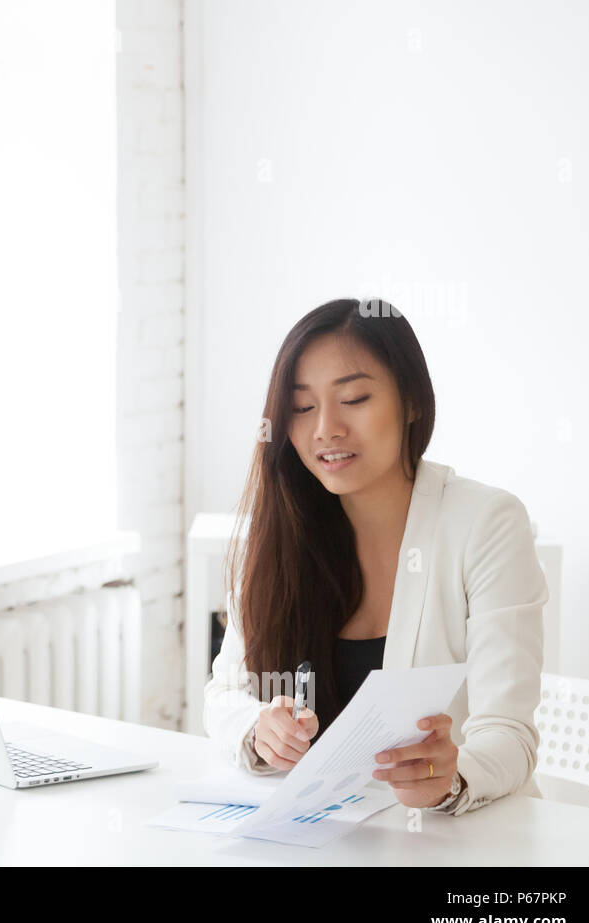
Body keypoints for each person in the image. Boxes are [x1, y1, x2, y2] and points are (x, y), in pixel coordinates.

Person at [203, 298, 547, 815]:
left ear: (411, 401)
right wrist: (259, 729)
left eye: (355, 398)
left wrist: (451, 778)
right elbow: (224, 693)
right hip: (319, 838)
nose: (326, 429)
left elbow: (509, 735)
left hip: (459, 843)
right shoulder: (281, 531)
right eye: (301, 407)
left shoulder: (486, 522)